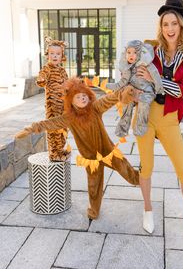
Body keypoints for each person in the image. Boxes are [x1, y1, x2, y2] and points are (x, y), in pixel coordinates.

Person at [15, 78, 139, 220]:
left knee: (126, 170)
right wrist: (32, 128)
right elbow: (51, 123)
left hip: (108, 152)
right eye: (78, 97)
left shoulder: (95, 108)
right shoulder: (69, 118)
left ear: (89, 96)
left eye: (84, 96)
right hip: (91, 159)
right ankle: (94, 209)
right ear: (71, 101)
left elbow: (109, 99)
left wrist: (123, 93)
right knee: (93, 186)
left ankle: (141, 180)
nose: (82, 99)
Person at [135, 0, 183, 249]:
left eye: (174, 23)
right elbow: (137, 73)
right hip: (144, 114)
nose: (170, 29)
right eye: (165, 24)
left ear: (181, 25)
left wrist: (155, 80)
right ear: (161, 26)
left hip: (169, 118)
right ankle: (148, 209)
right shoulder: (150, 50)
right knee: (147, 167)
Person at [106, 40, 163, 137]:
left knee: (143, 104)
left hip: (146, 91)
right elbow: (123, 81)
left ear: (140, 53)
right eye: (129, 52)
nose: (131, 55)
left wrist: (159, 90)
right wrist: (113, 86)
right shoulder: (127, 68)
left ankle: (140, 128)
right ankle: (122, 129)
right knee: (126, 103)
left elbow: (156, 76)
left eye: (135, 52)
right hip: (133, 90)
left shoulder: (147, 65)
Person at [36, 36, 69, 162]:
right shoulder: (47, 69)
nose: (55, 56)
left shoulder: (62, 70)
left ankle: (61, 150)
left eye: (58, 54)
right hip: (53, 107)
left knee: (64, 129)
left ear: (62, 56)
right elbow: (41, 76)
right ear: (47, 55)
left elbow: (68, 85)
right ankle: (54, 153)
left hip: (64, 106)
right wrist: (41, 79)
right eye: (52, 53)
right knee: (53, 130)